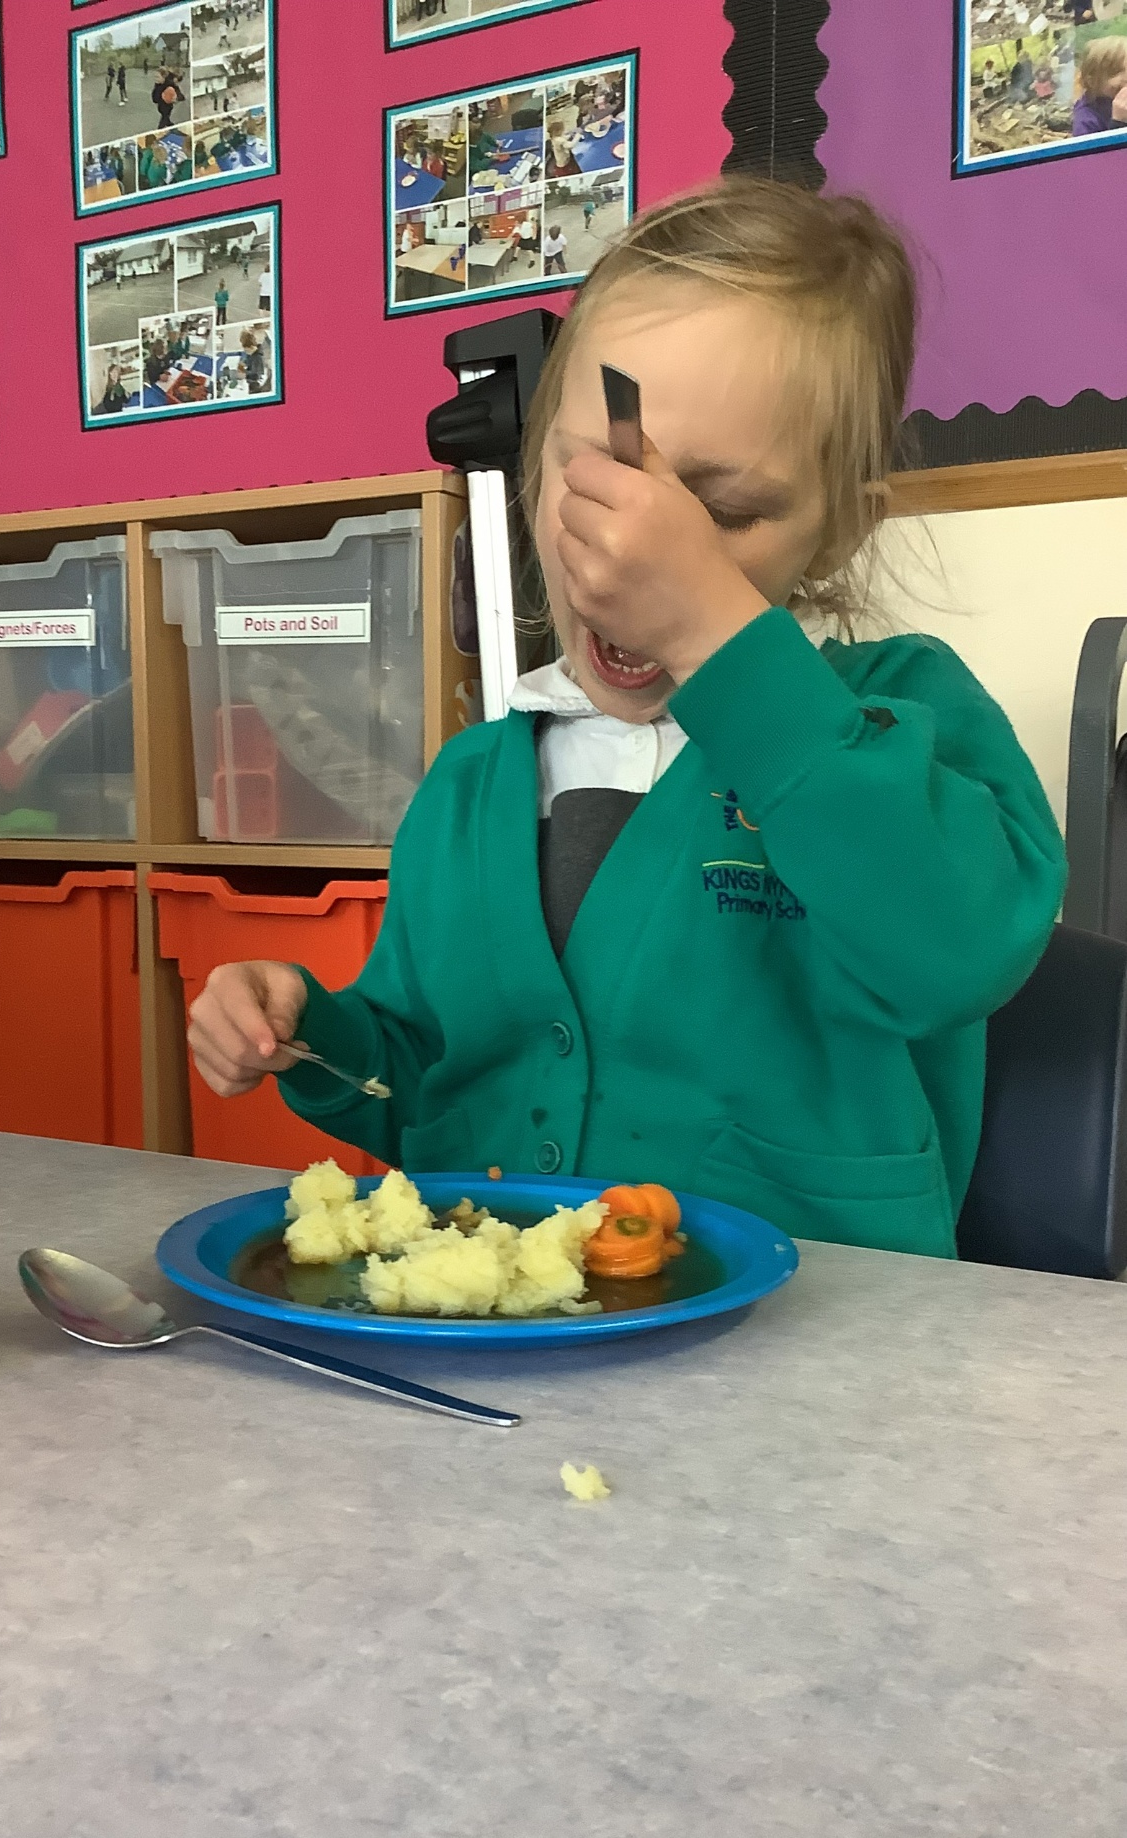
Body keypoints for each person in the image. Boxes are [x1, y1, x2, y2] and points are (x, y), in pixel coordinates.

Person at [185, 177, 1065, 1260]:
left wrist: (719, 640)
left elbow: (955, 952)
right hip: (517, 1328)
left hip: (820, 1338)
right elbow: (423, 1083)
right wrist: (305, 1030)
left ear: (838, 531)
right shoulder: (472, 783)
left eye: (722, 512)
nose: (641, 547)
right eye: (601, 478)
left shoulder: (899, 715)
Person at [1073, 35, 1127, 133]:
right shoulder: (1086, 119)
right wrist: (1119, 122)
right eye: (1115, 71)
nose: (1125, 77)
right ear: (1092, 82)